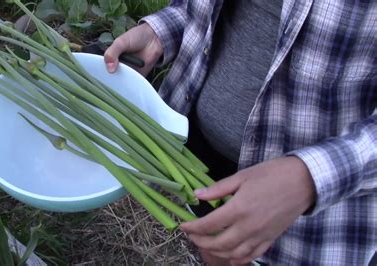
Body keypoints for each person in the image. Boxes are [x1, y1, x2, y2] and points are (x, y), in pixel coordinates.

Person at [103, 0, 377, 265]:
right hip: (201, 158)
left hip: (316, 208)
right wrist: (161, 32)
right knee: (219, 248)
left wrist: (309, 177)